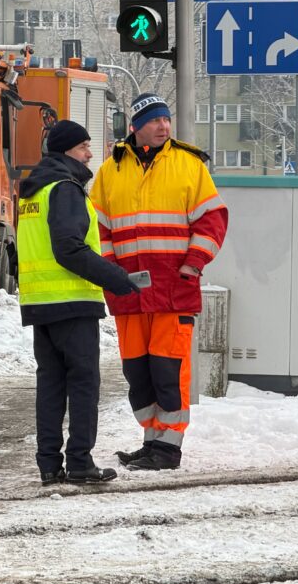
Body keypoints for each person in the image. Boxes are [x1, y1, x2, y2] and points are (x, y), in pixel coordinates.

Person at [90, 93, 228, 471]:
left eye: (166, 119)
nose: (164, 126)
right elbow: (98, 228)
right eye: (155, 120)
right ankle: (152, 440)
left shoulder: (188, 165)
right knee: (139, 373)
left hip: (173, 290)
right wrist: (111, 271)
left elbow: (213, 221)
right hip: (128, 293)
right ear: (136, 126)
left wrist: (193, 265)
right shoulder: (110, 170)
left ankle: (168, 448)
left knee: (169, 371)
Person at [17, 120, 141, 485]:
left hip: (40, 304)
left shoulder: (34, 190)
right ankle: (80, 462)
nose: (90, 154)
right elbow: (69, 248)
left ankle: (49, 463)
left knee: (51, 386)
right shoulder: (65, 188)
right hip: (72, 302)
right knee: (83, 385)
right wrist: (116, 278)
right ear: (67, 150)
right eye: (84, 147)